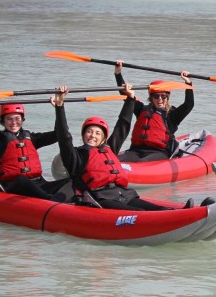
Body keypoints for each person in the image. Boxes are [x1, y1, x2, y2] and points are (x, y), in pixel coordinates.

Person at [52, 85, 202, 210]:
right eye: (89, 132)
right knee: (141, 212)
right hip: (100, 198)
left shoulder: (109, 148)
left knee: (155, 208)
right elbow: (64, 137)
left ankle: (182, 212)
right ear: (83, 135)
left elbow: (122, 124)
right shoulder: (76, 155)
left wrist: (130, 99)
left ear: (104, 138)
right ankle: (176, 217)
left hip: (123, 194)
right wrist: (60, 107)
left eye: (98, 133)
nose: (93, 135)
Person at [0, 100, 71, 201]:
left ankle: (75, 200)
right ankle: (49, 200)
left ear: (22, 120)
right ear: (2, 121)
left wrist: (59, 107)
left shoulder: (31, 138)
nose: (13, 122)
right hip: (13, 186)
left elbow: (59, 134)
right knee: (22, 179)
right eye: (9, 119)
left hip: (38, 184)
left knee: (73, 180)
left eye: (17, 118)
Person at [114, 60, 194, 161]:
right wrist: (118, 73)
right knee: (114, 161)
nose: (160, 99)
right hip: (135, 151)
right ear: (151, 98)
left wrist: (188, 83)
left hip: (159, 152)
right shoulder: (142, 109)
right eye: (156, 96)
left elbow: (189, 105)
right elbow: (126, 94)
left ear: (167, 97)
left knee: (141, 163)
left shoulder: (172, 115)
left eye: (163, 96)